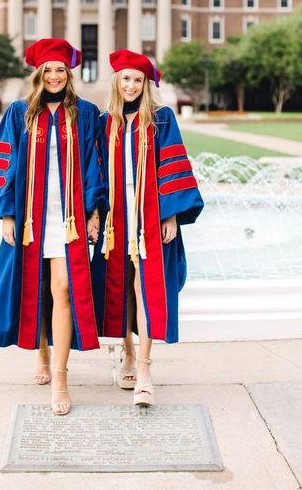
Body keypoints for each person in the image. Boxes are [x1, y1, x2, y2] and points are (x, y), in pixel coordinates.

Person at [0, 38, 105, 416]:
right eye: (48, 70)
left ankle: (60, 379)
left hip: (69, 218)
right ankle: (42, 357)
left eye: (61, 69)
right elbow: (4, 164)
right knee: (39, 288)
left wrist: (95, 212)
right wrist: (7, 215)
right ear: (38, 74)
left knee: (63, 289)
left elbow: (96, 166)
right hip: (32, 215)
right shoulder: (19, 113)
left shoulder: (87, 113)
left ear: (69, 74)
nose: (54, 76)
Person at [91, 49, 204, 406]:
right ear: (116, 81)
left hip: (150, 217)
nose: (131, 85)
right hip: (115, 218)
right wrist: (94, 214)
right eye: (125, 78)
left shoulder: (161, 119)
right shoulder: (103, 122)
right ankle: (125, 352)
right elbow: (93, 173)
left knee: (146, 287)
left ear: (146, 84)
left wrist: (171, 214)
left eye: (138, 79)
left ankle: (144, 368)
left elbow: (172, 166)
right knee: (120, 286)